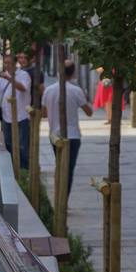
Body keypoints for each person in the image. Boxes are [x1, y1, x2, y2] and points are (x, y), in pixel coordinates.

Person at [41, 61, 93, 192]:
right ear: (73, 73)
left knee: (60, 166)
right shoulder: (76, 90)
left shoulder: (48, 90)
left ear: (59, 72)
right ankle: (63, 200)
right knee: (68, 170)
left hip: (54, 136)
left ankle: (60, 198)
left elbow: (43, 114)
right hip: (72, 136)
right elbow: (89, 112)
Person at [0, 53, 31, 171]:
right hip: (7, 118)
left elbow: (23, 88)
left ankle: (25, 170)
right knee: (8, 144)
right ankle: (14, 169)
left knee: (23, 147)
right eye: (5, 63)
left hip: (21, 117)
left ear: (15, 63)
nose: (7, 65)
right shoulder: (3, 77)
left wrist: (9, 79)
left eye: (9, 63)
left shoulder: (23, 75)